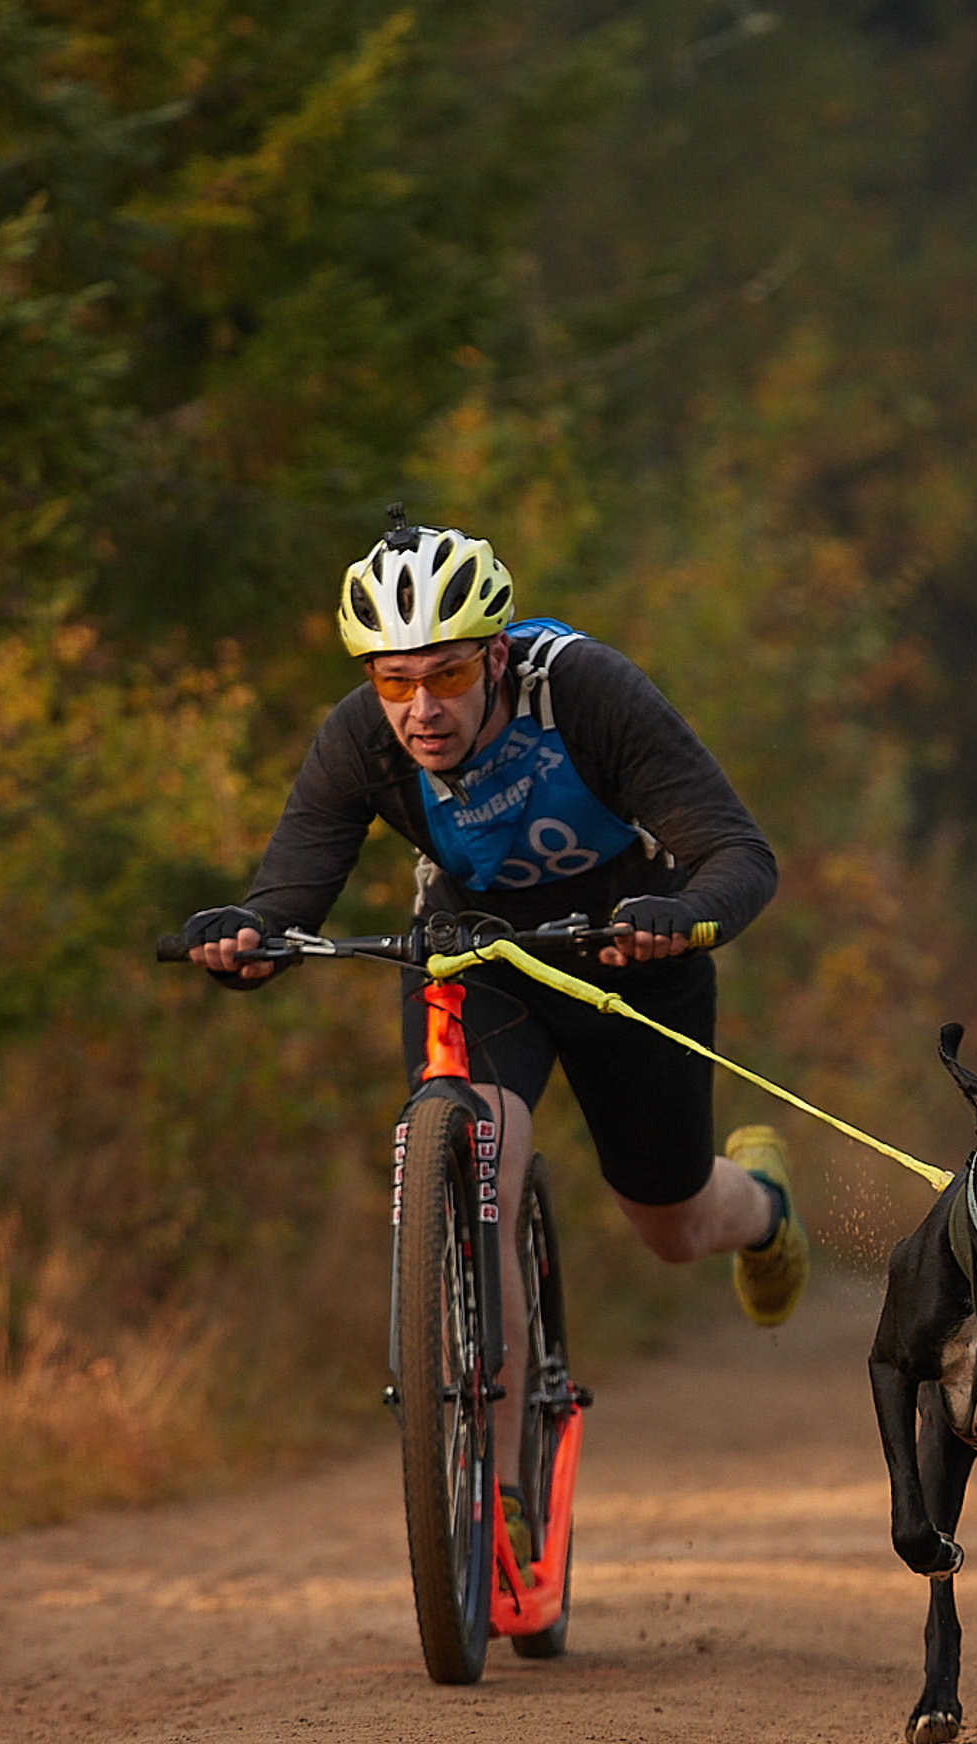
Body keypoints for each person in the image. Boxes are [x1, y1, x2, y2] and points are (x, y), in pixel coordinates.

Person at [180, 509, 808, 1562]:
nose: (419, 709)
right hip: (477, 962)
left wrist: (681, 917)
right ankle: (502, 1490)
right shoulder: (358, 740)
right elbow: (287, 896)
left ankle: (761, 1209)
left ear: (497, 656)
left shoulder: (589, 693)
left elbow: (738, 854)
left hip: (625, 951)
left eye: (445, 676)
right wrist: (247, 938)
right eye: (392, 681)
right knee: (481, 1162)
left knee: (669, 1223)